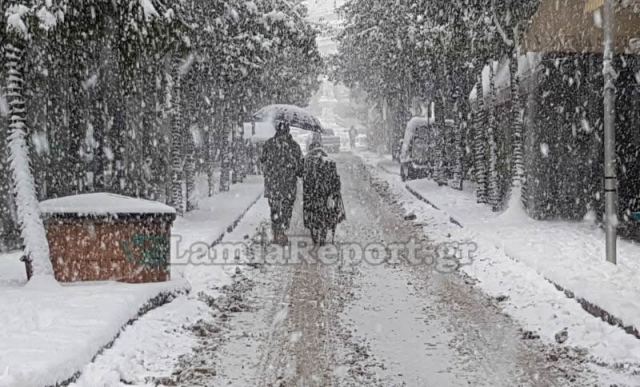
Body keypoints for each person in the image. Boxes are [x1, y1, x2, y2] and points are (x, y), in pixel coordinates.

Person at [260, 121, 303, 245]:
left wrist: (268, 171)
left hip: (272, 182)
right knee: (286, 208)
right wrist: (297, 170)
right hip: (288, 184)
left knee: (274, 208)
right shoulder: (294, 146)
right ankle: (282, 232)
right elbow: (300, 167)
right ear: (288, 130)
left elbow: (262, 160)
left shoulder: (269, 144)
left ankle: (276, 233)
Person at [303, 133, 345, 245]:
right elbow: (335, 180)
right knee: (327, 211)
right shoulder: (328, 162)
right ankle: (324, 228)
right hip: (324, 193)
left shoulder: (307, 162)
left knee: (312, 210)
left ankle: (316, 228)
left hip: (314, 194)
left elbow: (305, 178)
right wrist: (334, 191)